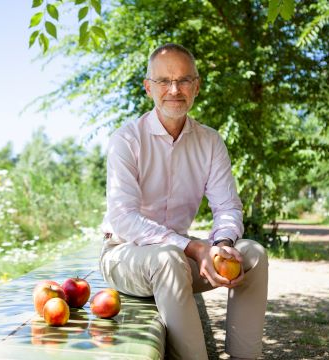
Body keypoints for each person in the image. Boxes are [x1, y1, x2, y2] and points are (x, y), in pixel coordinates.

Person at [100, 43, 268, 360]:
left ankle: (246, 356)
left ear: (196, 86)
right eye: (164, 81)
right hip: (124, 255)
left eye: (184, 80)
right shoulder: (126, 139)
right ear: (148, 87)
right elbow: (123, 218)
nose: (174, 90)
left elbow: (228, 207)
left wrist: (222, 242)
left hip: (177, 258)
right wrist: (193, 247)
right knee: (169, 258)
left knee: (253, 254)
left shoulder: (210, 141)